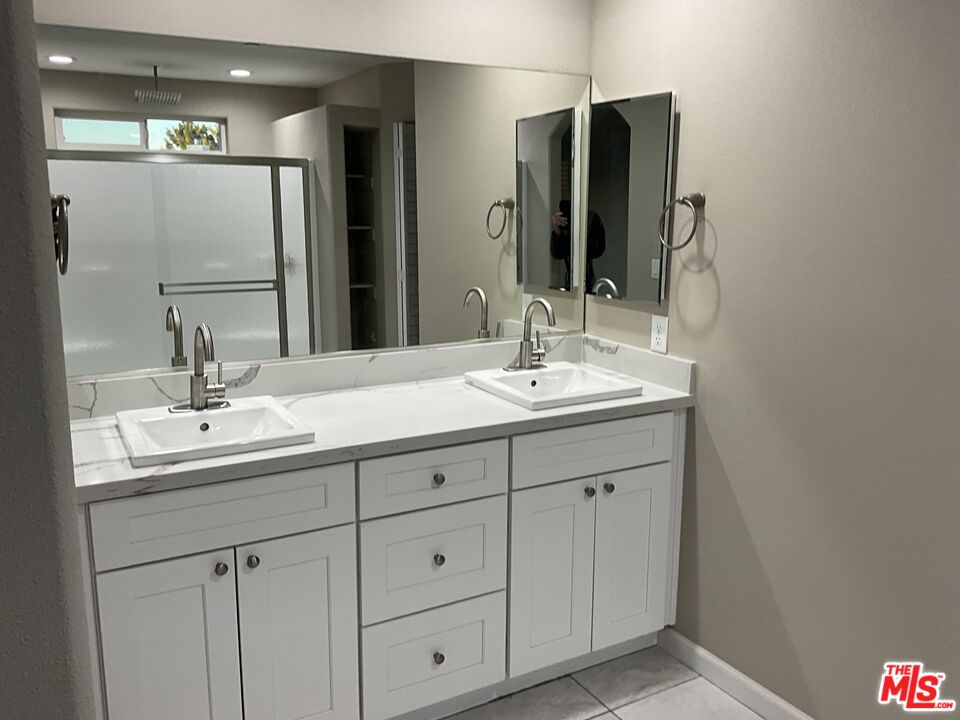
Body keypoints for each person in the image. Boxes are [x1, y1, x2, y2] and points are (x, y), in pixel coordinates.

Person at [550, 200, 606, 289]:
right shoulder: (566, 222)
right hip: (570, 277)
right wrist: (556, 229)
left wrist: (582, 233)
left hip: (587, 275)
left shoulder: (591, 218)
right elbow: (557, 253)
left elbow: (598, 250)